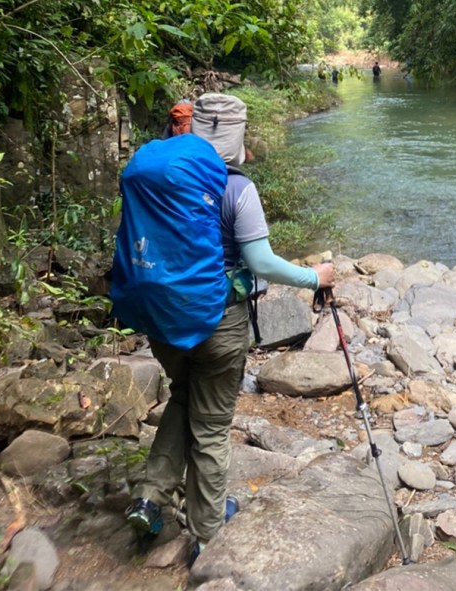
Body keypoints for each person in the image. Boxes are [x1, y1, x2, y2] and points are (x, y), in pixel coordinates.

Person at [125, 118, 335, 564]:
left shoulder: (161, 178)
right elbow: (261, 262)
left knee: (183, 395)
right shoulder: (237, 187)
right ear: (237, 140)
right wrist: (314, 277)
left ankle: (150, 497)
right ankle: (207, 533)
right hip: (217, 323)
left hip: (161, 317)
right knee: (211, 426)